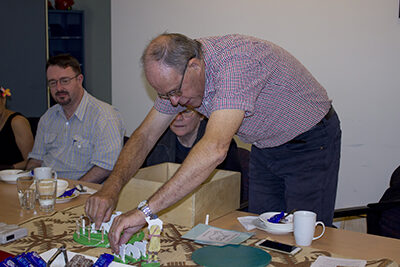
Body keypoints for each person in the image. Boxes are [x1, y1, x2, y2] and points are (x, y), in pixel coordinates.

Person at [85, 33, 341, 253]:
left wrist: (145, 211)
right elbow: (145, 135)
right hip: (265, 145)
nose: (173, 102)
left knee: (305, 240)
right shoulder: (177, 75)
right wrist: (111, 188)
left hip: (310, 141)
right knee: (265, 236)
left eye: (175, 92)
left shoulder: (237, 64)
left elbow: (214, 149)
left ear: (195, 66)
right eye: (165, 95)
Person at [27, 54, 125, 183]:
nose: (59, 88)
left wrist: (74, 188)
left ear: (79, 79)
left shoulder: (104, 116)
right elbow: (36, 159)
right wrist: (29, 181)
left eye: (65, 81)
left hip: (83, 192)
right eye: (53, 83)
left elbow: (106, 167)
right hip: (47, 190)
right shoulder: (48, 117)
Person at [143, 107, 241, 173]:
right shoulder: (157, 142)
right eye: (174, 112)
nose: (178, 118)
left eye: (186, 111)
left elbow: (231, 189)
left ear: (201, 115)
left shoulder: (222, 144)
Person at [0, 87, 34, 170]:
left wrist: (9, 168)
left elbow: (32, 161)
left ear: (3, 100)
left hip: (16, 179)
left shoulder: (17, 121)